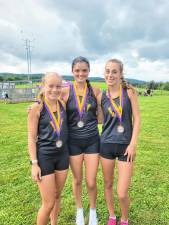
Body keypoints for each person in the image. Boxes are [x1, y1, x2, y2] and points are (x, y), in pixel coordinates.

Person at [97, 59, 141, 225]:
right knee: (108, 184)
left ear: (121, 74)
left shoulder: (129, 92)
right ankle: (112, 216)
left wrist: (133, 144)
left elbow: (137, 119)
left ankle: (124, 218)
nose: (110, 75)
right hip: (106, 144)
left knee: (122, 192)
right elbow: (100, 119)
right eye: (107, 71)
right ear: (104, 73)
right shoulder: (101, 95)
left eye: (114, 71)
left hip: (125, 146)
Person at [61, 56, 100, 225]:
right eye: (77, 70)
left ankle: (92, 212)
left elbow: (103, 113)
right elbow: (49, 99)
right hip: (73, 142)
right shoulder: (65, 90)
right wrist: (36, 103)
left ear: (89, 71)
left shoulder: (96, 91)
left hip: (92, 141)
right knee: (77, 180)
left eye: (84, 70)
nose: (80, 73)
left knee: (91, 181)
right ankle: (79, 211)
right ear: (72, 72)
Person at [28, 72, 69, 225]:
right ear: (43, 86)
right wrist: (34, 163)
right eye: (50, 86)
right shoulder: (36, 108)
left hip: (62, 156)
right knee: (48, 203)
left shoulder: (62, 104)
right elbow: (31, 138)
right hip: (45, 157)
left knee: (57, 196)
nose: (54, 90)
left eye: (58, 86)